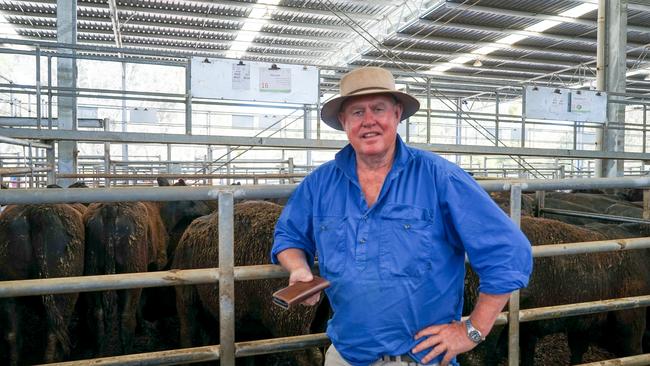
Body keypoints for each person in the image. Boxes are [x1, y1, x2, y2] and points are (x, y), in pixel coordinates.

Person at [271, 67, 532, 366]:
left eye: (378, 109)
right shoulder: (320, 183)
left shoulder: (440, 177)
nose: (368, 121)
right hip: (345, 355)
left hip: (421, 359)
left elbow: (509, 251)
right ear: (344, 121)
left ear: (397, 114)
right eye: (357, 112)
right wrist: (298, 268)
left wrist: (472, 330)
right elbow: (288, 236)